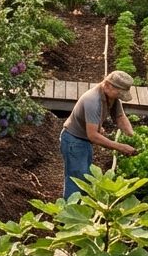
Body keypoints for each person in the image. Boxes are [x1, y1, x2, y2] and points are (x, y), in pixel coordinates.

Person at [59, 70, 137, 200]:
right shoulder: (93, 101)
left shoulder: (111, 97)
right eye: (118, 92)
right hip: (74, 142)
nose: (120, 96)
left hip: (84, 141)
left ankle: (80, 209)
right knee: (77, 182)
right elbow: (93, 136)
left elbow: (120, 116)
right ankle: (68, 211)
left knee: (85, 179)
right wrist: (121, 147)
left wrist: (132, 135)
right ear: (107, 85)